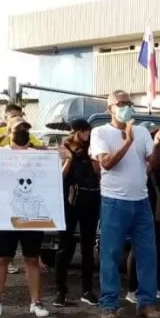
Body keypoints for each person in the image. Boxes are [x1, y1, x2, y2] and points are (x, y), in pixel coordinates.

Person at [90, 90, 160, 318]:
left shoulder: (143, 131)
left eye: (129, 103)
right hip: (113, 201)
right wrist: (127, 141)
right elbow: (107, 164)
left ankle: (146, 303)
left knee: (147, 254)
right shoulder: (100, 132)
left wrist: (156, 146)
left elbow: (152, 164)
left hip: (141, 201)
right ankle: (109, 305)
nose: (126, 106)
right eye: (121, 103)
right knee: (111, 254)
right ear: (110, 109)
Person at [0, 117, 49, 318]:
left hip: (31, 215)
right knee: (2, 258)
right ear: (7, 132)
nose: (23, 132)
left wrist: (62, 157)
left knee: (32, 259)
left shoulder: (38, 156)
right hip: (5, 215)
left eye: (26, 128)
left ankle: (36, 301)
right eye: (19, 129)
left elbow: (52, 180)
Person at [125, 122, 160, 304]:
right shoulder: (136, 154)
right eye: (152, 133)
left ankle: (159, 286)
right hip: (140, 204)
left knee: (158, 247)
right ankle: (132, 289)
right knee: (137, 248)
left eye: (158, 133)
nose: (157, 136)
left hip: (158, 207)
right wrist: (152, 156)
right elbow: (140, 175)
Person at [54, 119, 101, 308]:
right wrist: (69, 159)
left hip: (91, 198)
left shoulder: (93, 148)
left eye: (88, 131)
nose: (87, 134)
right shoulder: (65, 148)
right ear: (76, 132)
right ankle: (60, 291)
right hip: (70, 201)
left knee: (88, 246)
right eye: (84, 131)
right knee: (65, 245)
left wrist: (93, 157)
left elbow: (99, 173)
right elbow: (60, 176)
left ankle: (87, 290)